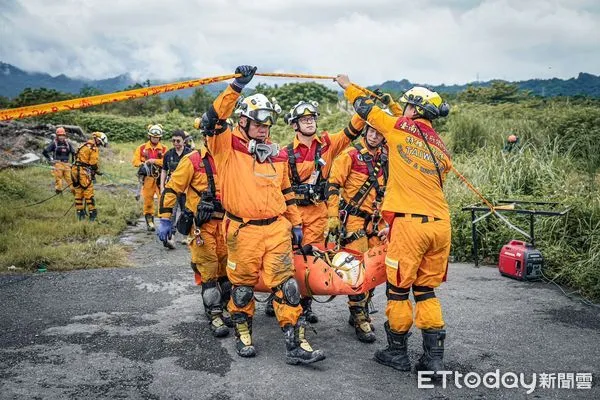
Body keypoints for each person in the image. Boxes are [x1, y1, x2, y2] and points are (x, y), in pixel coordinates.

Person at [202, 65, 325, 365]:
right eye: (258, 122)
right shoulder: (226, 147)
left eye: (268, 123)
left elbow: (286, 194)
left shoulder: (277, 155)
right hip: (242, 231)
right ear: (243, 121)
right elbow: (213, 120)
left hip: (276, 230)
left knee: (288, 286)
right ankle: (243, 333)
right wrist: (235, 87)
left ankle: (296, 344)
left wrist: (295, 223)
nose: (263, 127)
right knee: (242, 289)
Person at [336, 75, 451, 378]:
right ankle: (433, 360)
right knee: (426, 291)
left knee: (398, 291)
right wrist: (397, 106)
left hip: (411, 225)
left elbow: (364, 108)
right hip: (441, 225)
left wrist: (347, 84)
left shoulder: (398, 128)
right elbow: (413, 133)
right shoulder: (441, 149)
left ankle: (397, 352)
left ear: (412, 109)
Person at [277, 100, 365, 323]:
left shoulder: (327, 145)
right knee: (288, 258)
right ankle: (279, 297)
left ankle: (304, 305)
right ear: (294, 125)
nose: (309, 121)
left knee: (310, 258)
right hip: (293, 214)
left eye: (312, 118)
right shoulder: (285, 154)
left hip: (318, 213)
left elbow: (350, 132)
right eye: (303, 119)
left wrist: (363, 110)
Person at [157, 135, 232, 338]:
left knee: (227, 270)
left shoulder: (233, 158)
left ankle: (226, 307)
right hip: (202, 227)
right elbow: (172, 189)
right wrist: (165, 218)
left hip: (228, 225)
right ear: (205, 137)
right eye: (213, 135)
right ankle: (214, 314)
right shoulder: (192, 160)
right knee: (208, 269)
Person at [327, 121, 388, 343]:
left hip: (377, 221)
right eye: (371, 131)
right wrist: (332, 215)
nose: (374, 136)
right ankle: (359, 315)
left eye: (379, 133)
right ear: (365, 131)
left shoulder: (386, 158)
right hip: (353, 221)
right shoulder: (350, 155)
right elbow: (333, 185)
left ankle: (362, 307)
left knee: (376, 269)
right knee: (357, 270)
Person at [160, 130, 192, 248]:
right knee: (172, 213)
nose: (176, 143)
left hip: (187, 189)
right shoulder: (168, 154)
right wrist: (162, 186)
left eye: (178, 141)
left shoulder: (190, 154)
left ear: (184, 141)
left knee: (186, 212)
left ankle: (186, 235)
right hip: (172, 188)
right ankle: (171, 237)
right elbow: (164, 171)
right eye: (173, 141)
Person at [132, 124, 168, 231]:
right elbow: (135, 161)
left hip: (160, 178)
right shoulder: (142, 148)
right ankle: (150, 222)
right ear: (149, 136)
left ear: (160, 137)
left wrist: (154, 161)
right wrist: (144, 164)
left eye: (157, 137)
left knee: (163, 199)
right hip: (148, 178)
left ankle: (163, 220)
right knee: (148, 200)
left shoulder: (165, 149)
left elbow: (166, 162)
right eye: (153, 137)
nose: (155, 139)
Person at [71, 132, 108, 221]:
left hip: (74, 171)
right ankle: (92, 214)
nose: (99, 145)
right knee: (88, 192)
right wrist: (97, 171)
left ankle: (80, 214)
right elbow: (93, 164)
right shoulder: (93, 148)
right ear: (98, 140)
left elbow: (76, 156)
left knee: (78, 192)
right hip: (83, 172)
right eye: (100, 143)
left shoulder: (84, 145)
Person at [42, 127, 76, 194]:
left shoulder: (68, 144)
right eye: (60, 135)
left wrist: (73, 163)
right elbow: (44, 152)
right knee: (59, 180)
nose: (61, 137)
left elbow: (73, 153)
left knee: (70, 180)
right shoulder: (54, 143)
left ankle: (76, 195)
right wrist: (50, 159)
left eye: (62, 135)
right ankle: (59, 195)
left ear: (64, 135)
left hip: (67, 165)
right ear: (57, 135)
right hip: (58, 164)